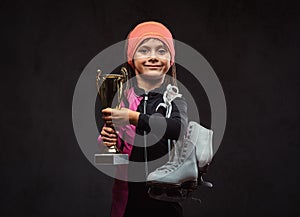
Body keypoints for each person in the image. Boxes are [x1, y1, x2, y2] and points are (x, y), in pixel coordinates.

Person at [98, 21, 188, 217]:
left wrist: (134, 117)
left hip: (166, 197)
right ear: (131, 59)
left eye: (162, 51)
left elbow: (177, 128)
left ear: (171, 60)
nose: (153, 57)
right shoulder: (123, 99)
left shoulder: (174, 100)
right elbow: (116, 149)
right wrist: (108, 140)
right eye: (144, 50)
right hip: (128, 195)